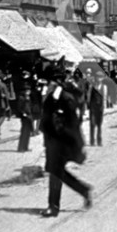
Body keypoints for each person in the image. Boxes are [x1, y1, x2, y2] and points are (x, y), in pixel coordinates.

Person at [40, 70, 92, 217]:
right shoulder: (52, 97)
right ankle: (83, 190)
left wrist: (78, 144)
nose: (47, 85)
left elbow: (74, 123)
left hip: (63, 142)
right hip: (53, 141)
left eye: (49, 82)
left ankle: (53, 206)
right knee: (58, 172)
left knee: (55, 172)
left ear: (56, 83)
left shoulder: (66, 98)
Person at [87, 72, 107, 146]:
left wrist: (103, 107)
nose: (99, 79)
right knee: (92, 124)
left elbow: (104, 97)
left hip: (100, 107)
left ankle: (99, 141)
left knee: (99, 124)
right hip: (93, 107)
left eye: (100, 77)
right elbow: (89, 96)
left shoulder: (104, 87)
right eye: (98, 77)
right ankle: (92, 141)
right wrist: (88, 105)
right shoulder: (91, 86)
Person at [17, 84, 34, 152]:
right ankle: (21, 147)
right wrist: (23, 113)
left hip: (29, 115)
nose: (28, 92)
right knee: (24, 132)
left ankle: (26, 147)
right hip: (24, 116)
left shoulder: (28, 97)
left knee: (28, 133)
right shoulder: (21, 98)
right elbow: (19, 107)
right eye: (27, 91)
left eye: (29, 91)